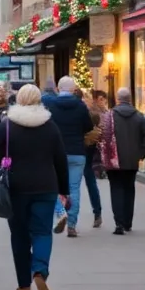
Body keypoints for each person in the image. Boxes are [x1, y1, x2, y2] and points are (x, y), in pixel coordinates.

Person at [0, 84, 69, 290]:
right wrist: (64, 190)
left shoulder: (7, 125)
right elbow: (61, 160)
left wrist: (8, 160)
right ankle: (40, 270)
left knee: (20, 234)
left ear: (19, 100)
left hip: (16, 187)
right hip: (46, 186)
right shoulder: (50, 125)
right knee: (42, 231)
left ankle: (23, 284)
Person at [46, 76, 94, 237]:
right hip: (77, 152)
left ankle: (60, 213)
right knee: (74, 188)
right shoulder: (80, 106)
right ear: (74, 90)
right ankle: (72, 224)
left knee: (54, 186)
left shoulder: (51, 106)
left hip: (55, 153)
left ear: (58, 89)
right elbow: (88, 126)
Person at [99, 87, 145, 235]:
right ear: (130, 99)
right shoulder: (139, 116)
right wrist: (141, 153)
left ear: (117, 99)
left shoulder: (109, 116)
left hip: (113, 160)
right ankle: (128, 222)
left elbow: (103, 136)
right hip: (131, 160)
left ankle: (119, 223)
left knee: (116, 189)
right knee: (129, 189)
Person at [75, 87, 104, 227]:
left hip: (78, 149)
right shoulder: (92, 111)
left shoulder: (77, 111)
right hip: (89, 149)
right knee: (90, 181)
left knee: (72, 185)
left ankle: (69, 216)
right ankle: (97, 212)